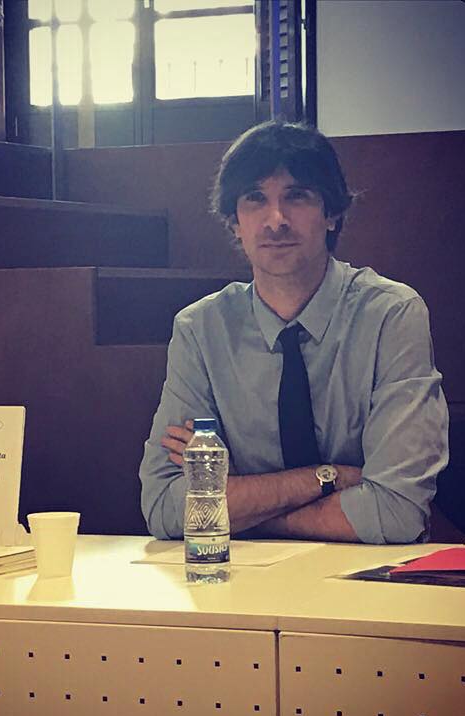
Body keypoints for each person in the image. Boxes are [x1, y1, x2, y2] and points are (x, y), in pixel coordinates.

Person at [139, 120, 448, 544]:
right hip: (243, 578)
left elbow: (395, 514)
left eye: (297, 196)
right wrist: (330, 477)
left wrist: (238, 504)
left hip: (367, 576)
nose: (276, 220)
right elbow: (165, 508)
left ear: (332, 213)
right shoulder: (200, 329)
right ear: (234, 221)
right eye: (255, 199)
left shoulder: (391, 315)